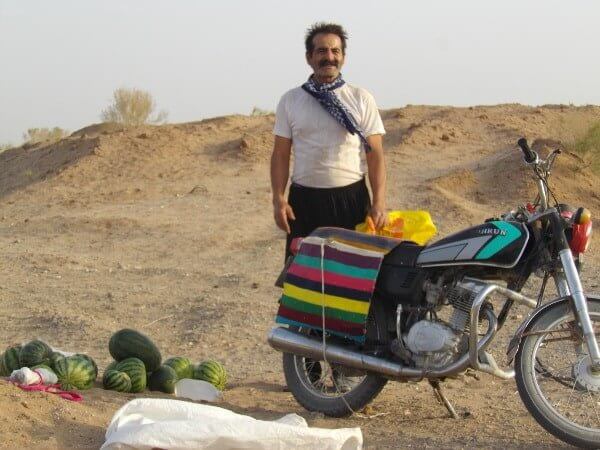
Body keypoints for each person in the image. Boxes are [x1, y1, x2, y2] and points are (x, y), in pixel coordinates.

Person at [270, 22, 387, 259]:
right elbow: (280, 154)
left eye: (335, 51)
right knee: (303, 278)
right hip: (304, 203)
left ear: (343, 57)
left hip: (351, 200)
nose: (329, 57)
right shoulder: (291, 100)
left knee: (351, 278)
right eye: (322, 51)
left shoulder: (360, 98)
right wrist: (278, 199)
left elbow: (375, 155)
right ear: (309, 57)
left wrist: (379, 202)